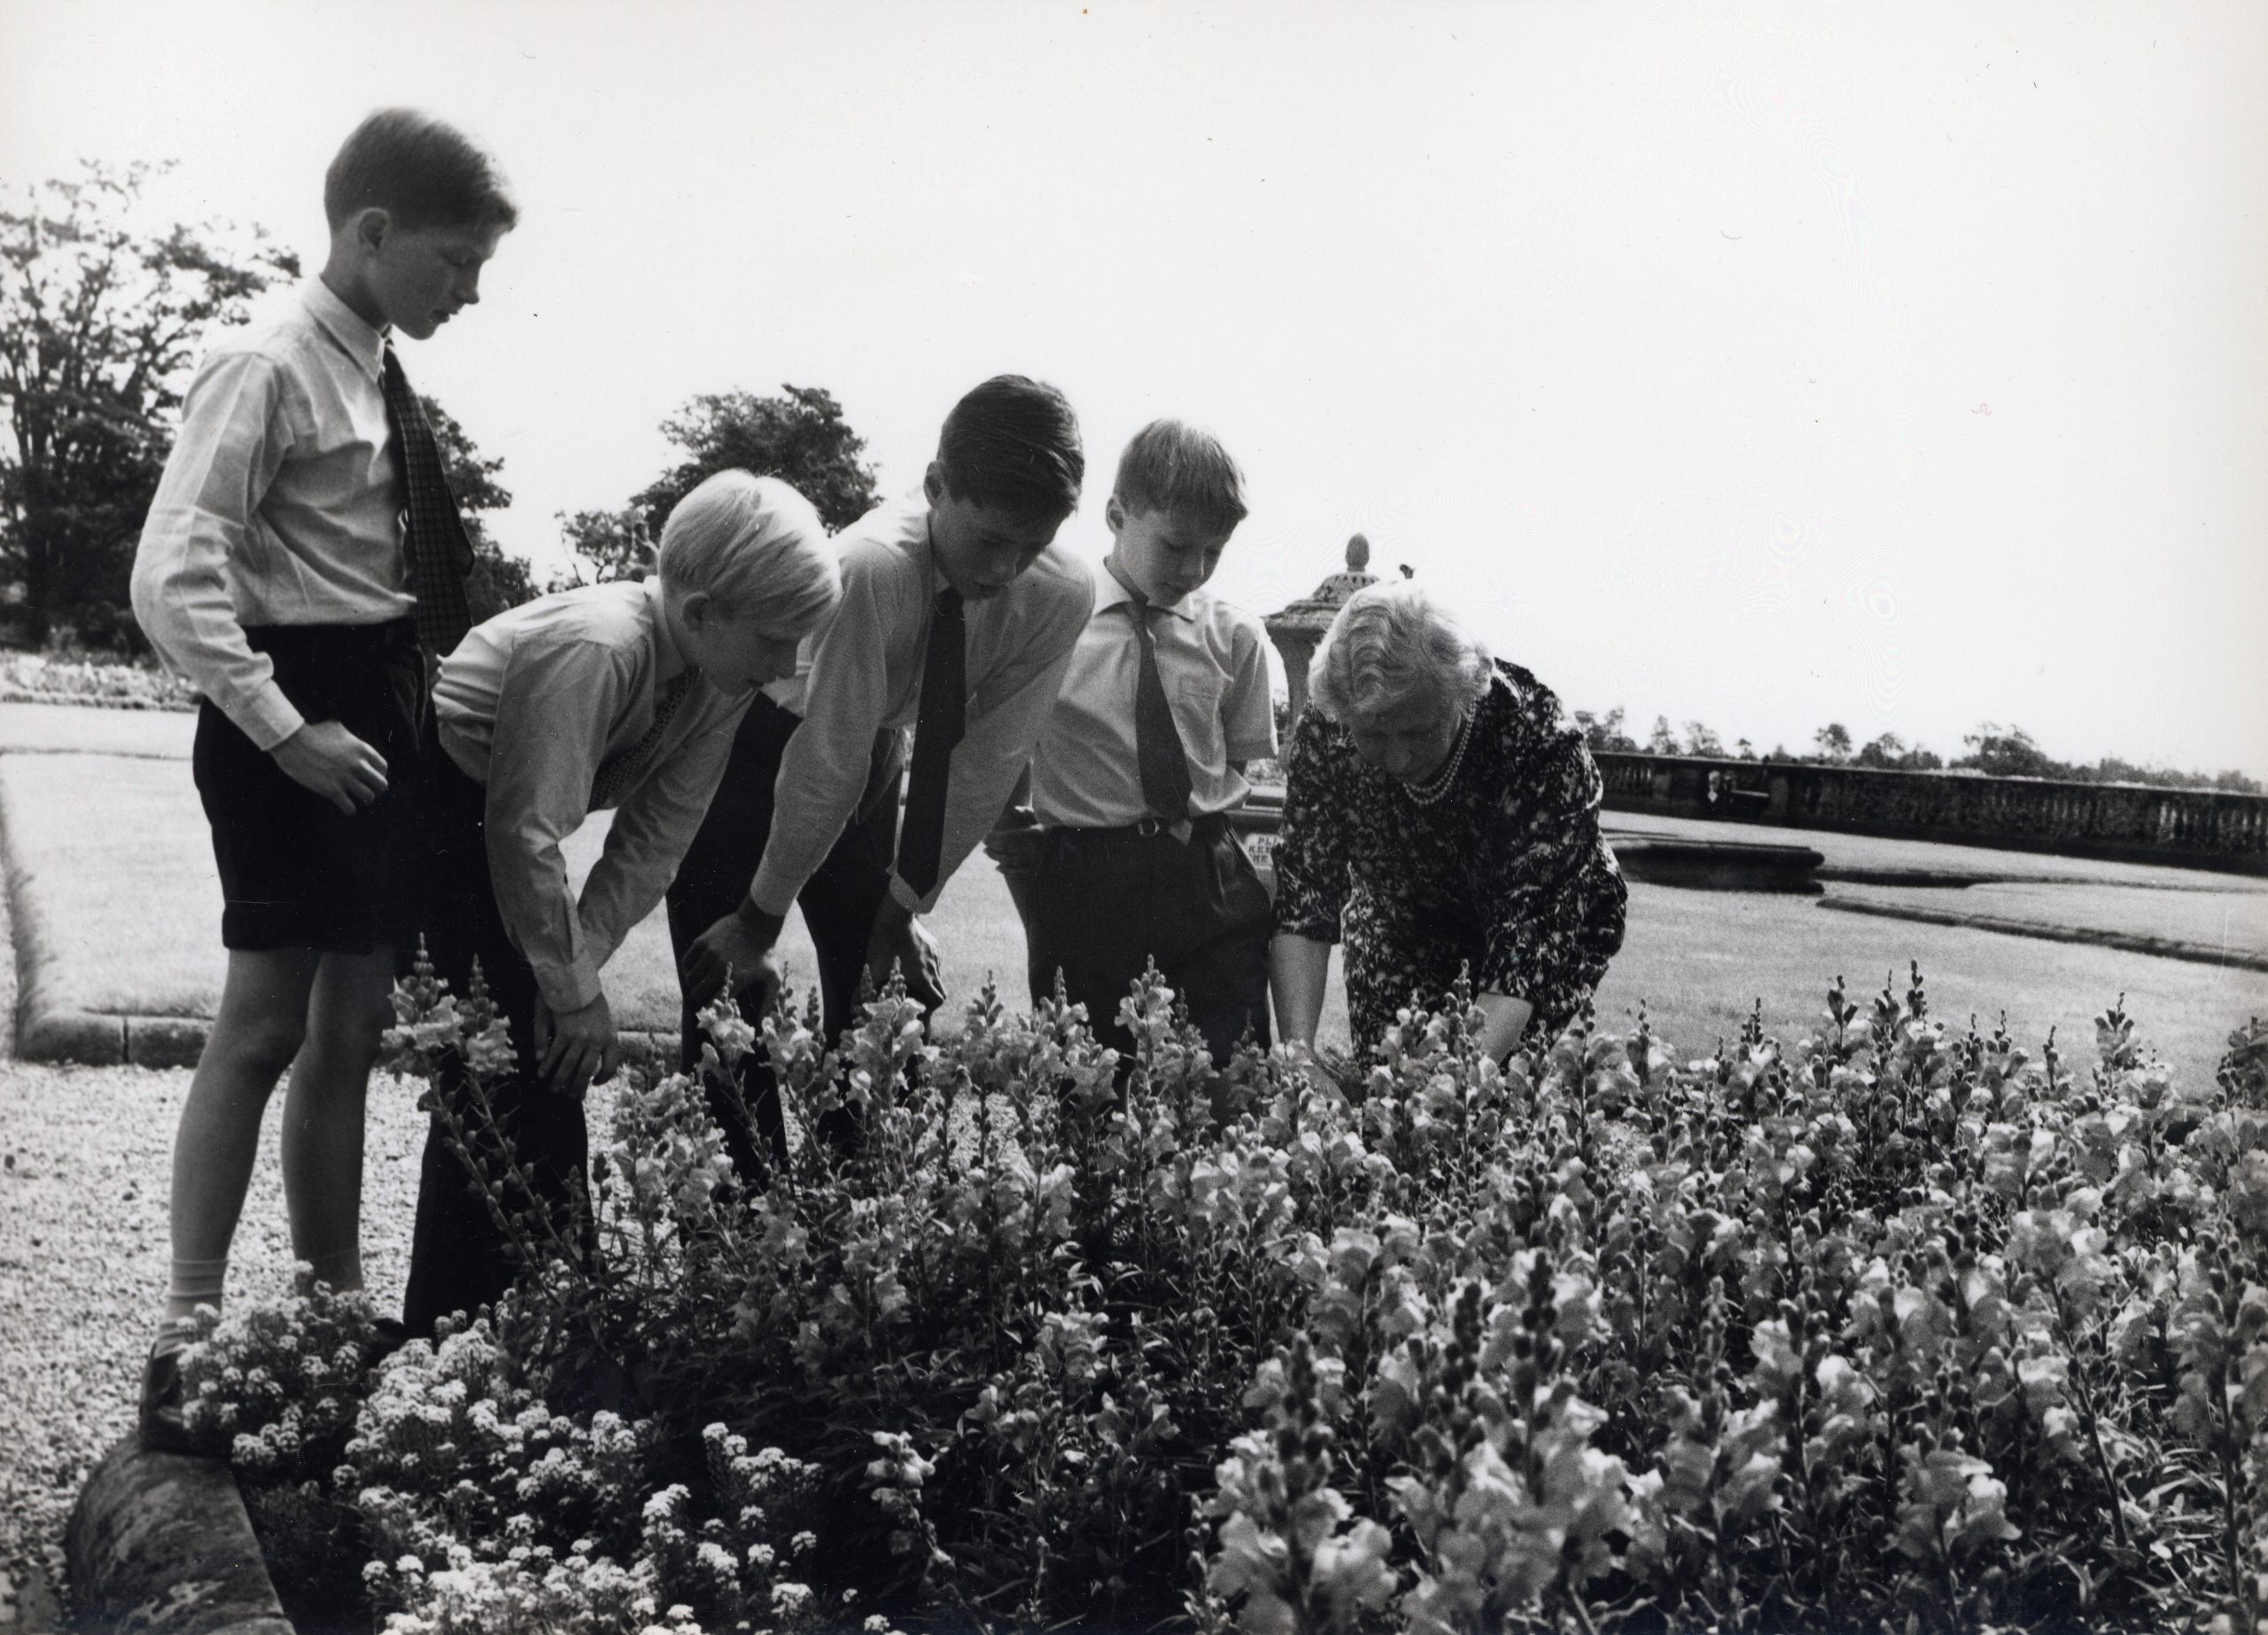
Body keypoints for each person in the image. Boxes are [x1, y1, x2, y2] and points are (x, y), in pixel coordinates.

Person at [127, 108, 515, 1448]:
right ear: (375, 232)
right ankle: (187, 1326)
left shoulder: (379, 370)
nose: (470, 290)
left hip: (381, 704)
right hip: (292, 713)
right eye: (456, 262)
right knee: (261, 1025)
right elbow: (170, 579)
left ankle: (330, 1311)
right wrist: (287, 731)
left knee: (352, 1031)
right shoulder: (266, 361)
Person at [400, 471, 836, 1335]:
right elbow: (523, 830)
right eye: (779, 639)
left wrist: (581, 968)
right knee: (501, 1074)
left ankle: (525, 1332)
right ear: (703, 612)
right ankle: (480, 1341)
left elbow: (655, 840)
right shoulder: (598, 648)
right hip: (436, 811)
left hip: (497, 825)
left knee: (533, 1070)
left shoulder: (718, 679)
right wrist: (569, 993)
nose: (789, 666)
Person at [672, 375, 1091, 1180]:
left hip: (879, 749)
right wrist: (757, 918)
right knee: (727, 985)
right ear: (936, 487)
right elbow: (825, 757)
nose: (1007, 569)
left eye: (1030, 547)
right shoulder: (871, 566)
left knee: (883, 989)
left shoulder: (1062, 594)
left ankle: (858, 1210)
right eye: (991, 540)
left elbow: (984, 762)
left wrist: (904, 905)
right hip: (761, 741)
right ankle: (735, 1230)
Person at [1268, 581, 1627, 1067]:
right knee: (1389, 1073)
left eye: (1418, 731)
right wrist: (1299, 1058)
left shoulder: (1538, 741)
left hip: (1541, 923)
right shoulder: (1330, 722)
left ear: (1461, 697)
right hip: (1401, 911)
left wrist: (1445, 1086)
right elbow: (1304, 900)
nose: (1396, 758)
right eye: (1373, 736)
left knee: (1488, 1095)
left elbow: (1521, 958)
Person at [1015, 419, 1276, 1063]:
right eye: (1176, 545)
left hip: (1207, 877)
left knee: (1229, 1081)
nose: (1194, 569)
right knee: (1087, 1089)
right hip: (1085, 885)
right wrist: (1043, 887)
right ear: (1115, 514)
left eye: (1213, 552)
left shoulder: (1236, 638)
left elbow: (1233, 766)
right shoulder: (1050, 626)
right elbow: (1005, 770)